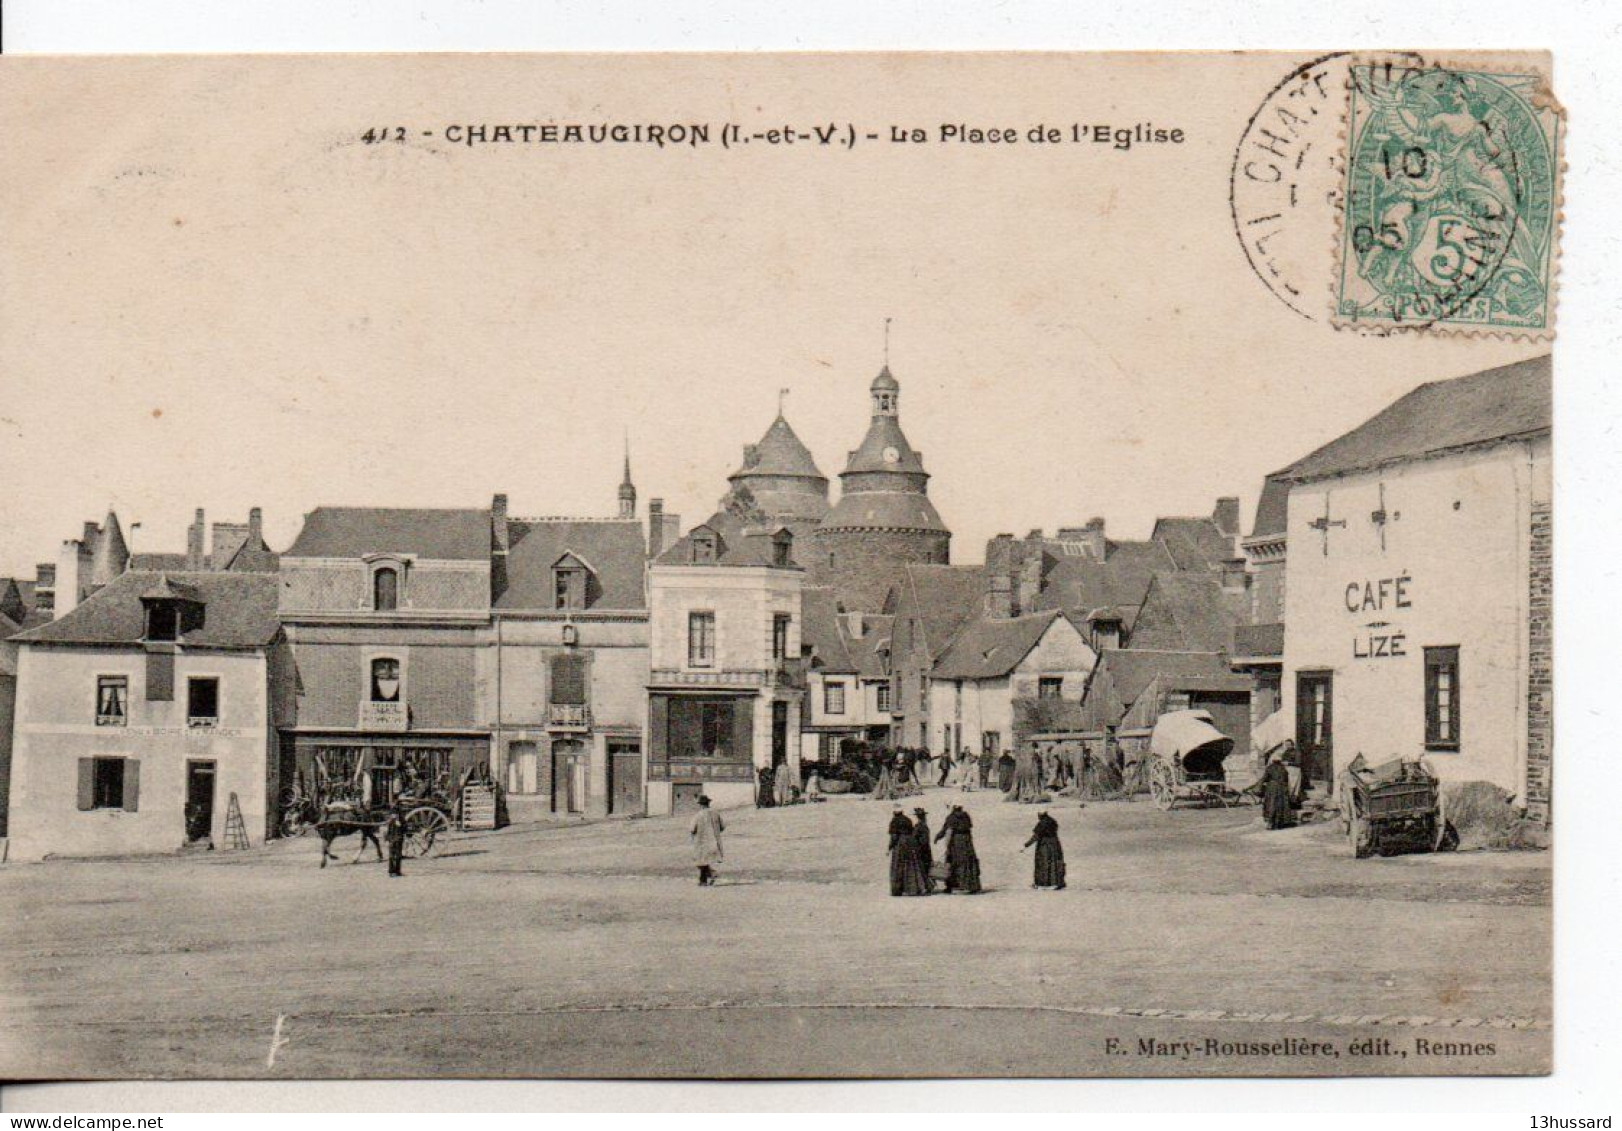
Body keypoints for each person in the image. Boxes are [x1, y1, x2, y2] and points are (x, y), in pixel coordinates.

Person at [934, 803, 982, 894]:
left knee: (953, 862)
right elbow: (969, 828)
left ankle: (953, 885)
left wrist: (938, 837)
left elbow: (946, 830)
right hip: (967, 842)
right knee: (968, 862)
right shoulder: (966, 816)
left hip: (956, 842)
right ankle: (971, 885)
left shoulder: (951, 817)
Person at [887, 806, 929, 896]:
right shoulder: (908, 820)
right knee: (911, 866)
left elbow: (894, 837)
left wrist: (889, 847)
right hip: (910, 843)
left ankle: (897, 890)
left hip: (900, 844)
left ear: (894, 812)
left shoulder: (894, 821)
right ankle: (913, 889)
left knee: (898, 866)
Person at [1023, 810, 1066, 890]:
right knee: (1054, 864)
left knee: (1043, 864)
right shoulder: (1052, 821)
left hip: (1044, 846)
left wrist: (1026, 845)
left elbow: (1036, 836)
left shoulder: (1042, 823)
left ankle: (1043, 884)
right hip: (1055, 844)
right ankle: (1056, 883)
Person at [690, 795, 725, 885]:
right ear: (708, 803)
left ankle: (711, 874)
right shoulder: (716, 813)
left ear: (700, 805)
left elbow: (692, 829)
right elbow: (722, 827)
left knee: (700, 861)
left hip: (701, 841)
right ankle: (703, 880)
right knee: (704, 861)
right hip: (714, 841)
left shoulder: (698, 815)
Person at [1261, 748, 1295, 830]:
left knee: (1271, 804)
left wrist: (1262, 784)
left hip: (1272, 788)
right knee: (1281, 805)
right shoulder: (1283, 768)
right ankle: (1279, 823)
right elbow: (1286, 779)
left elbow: (1265, 778)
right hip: (1282, 788)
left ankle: (1270, 822)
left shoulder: (1270, 768)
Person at [911, 806, 936, 892]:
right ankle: (929, 885)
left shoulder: (918, 826)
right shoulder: (925, 825)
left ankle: (926, 886)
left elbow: (914, 838)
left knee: (922, 867)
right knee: (927, 866)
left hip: (920, 848)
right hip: (927, 848)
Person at [384, 801, 407, 878]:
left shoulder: (396, 819)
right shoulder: (394, 820)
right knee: (394, 855)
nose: (394, 816)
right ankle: (393, 872)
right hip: (395, 837)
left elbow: (404, 826)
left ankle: (396, 871)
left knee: (397, 855)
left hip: (396, 837)